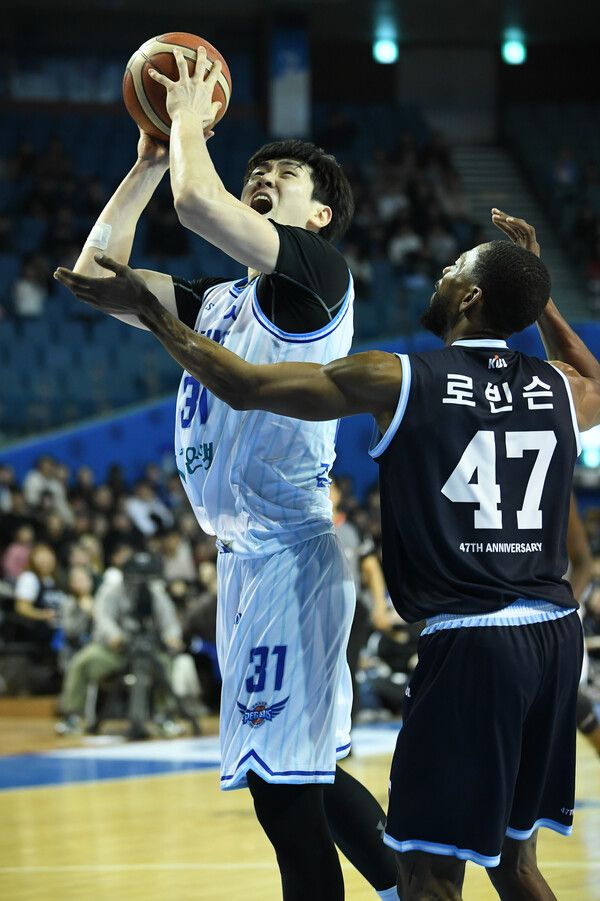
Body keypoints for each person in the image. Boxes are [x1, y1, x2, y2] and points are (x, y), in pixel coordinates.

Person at [57, 206, 600, 901]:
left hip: (473, 645)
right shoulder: (556, 386)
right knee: (515, 864)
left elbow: (246, 385)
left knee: (425, 875)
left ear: (468, 298)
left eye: (452, 271)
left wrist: (155, 314)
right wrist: (542, 296)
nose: (439, 274)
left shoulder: (400, 376)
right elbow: (594, 379)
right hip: (555, 636)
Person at [56, 46, 399, 901]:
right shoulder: (219, 300)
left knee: (287, 798)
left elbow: (197, 199)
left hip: (291, 550)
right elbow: (98, 277)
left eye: (284, 174)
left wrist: (185, 116)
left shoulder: (317, 279)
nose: (265, 175)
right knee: (297, 782)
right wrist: (142, 163)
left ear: (317, 215)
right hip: (244, 560)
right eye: (260, 167)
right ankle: (417, 888)